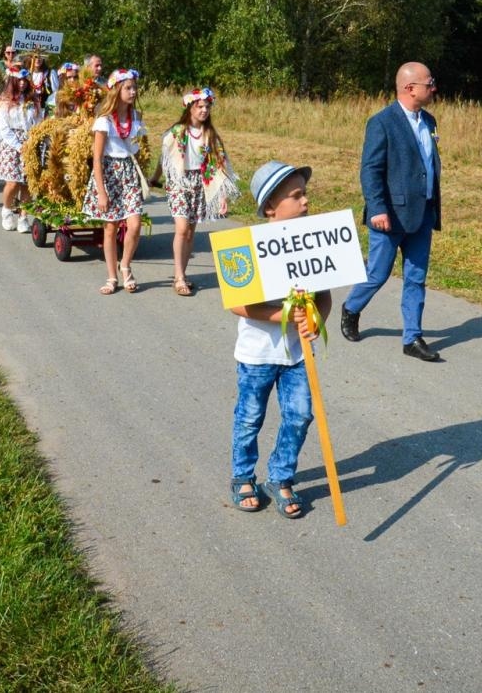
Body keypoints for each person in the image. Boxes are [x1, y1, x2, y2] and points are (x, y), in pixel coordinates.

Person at [229, 160, 329, 518]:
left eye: (306, 195)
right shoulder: (248, 246)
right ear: (271, 206)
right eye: (297, 196)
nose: (305, 202)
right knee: (250, 417)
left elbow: (324, 297)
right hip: (257, 353)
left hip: (298, 356)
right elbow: (238, 304)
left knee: (300, 415)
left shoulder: (314, 244)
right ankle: (242, 476)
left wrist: (316, 321)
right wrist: (285, 315)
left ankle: (281, 477)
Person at [339, 62, 444, 362]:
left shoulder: (431, 121)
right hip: (389, 214)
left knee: (416, 276)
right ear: (410, 88)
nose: (433, 88)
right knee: (378, 273)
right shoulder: (382, 122)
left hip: (423, 212)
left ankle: (412, 337)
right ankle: (351, 308)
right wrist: (377, 208)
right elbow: (370, 169)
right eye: (429, 83)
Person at [161, 87, 238, 296]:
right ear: (190, 108)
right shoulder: (177, 131)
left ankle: (183, 274)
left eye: (207, 107)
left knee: (190, 231)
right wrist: (156, 177)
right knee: (182, 228)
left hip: (199, 183)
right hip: (180, 181)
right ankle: (178, 276)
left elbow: (220, 166)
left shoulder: (210, 134)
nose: (204, 110)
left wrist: (222, 196)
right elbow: (165, 157)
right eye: (200, 106)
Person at [83, 69, 147, 294]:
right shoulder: (104, 121)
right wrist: (101, 192)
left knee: (135, 224)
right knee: (110, 228)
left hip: (128, 173)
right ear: (117, 90)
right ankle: (111, 277)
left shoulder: (136, 118)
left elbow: (138, 148)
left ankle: (126, 265)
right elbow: (97, 160)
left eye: (134, 87)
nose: (133, 91)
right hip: (109, 173)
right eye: (128, 88)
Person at [0, 67, 44, 231]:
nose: (22, 84)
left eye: (25, 80)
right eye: (19, 81)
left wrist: (34, 139)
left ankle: (24, 217)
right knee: (12, 182)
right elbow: (2, 128)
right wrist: (18, 145)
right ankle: (7, 211)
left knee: (27, 183)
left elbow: (38, 121)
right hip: (11, 144)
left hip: (29, 141)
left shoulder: (32, 101)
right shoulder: (5, 102)